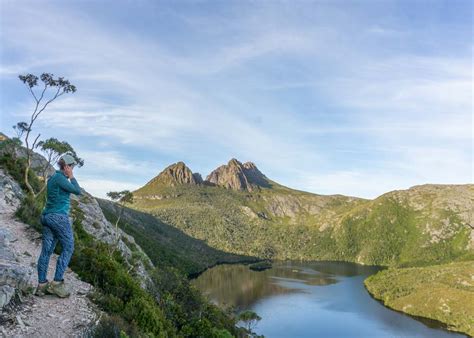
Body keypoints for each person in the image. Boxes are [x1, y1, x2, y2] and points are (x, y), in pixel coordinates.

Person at [35, 153, 81, 298]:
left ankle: (41, 285)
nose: (72, 169)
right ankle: (56, 284)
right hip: (58, 218)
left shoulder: (52, 178)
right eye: (72, 166)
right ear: (67, 166)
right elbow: (77, 190)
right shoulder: (61, 178)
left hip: (47, 216)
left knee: (47, 251)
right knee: (68, 247)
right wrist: (71, 176)